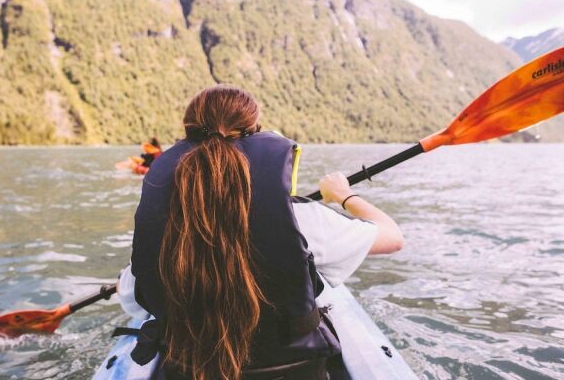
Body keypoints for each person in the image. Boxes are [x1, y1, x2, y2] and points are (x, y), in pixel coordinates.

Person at [117, 85, 403, 379]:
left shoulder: (159, 224)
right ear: (256, 134)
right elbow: (392, 237)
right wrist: (343, 195)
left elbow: (131, 297)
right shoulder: (301, 218)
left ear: (187, 139)